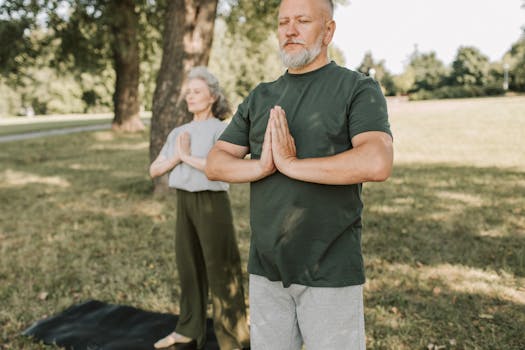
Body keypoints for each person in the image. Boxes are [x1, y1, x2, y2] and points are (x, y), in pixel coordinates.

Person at [205, 0, 394, 349]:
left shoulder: (357, 88)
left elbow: (376, 161)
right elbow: (216, 162)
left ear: (328, 31)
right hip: (266, 267)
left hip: (330, 268)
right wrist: (262, 165)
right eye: (283, 23)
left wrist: (292, 165)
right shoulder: (261, 96)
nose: (290, 30)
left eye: (303, 21)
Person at [149, 67, 250, 350]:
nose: (190, 97)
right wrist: (176, 158)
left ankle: (234, 338)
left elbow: (220, 168)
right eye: (188, 92)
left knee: (222, 268)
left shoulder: (223, 129)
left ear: (212, 96)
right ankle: (188, 329)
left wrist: (185, 156)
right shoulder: (178, 131)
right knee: (188, 266)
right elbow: (155, 169)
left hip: (212, 203)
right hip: (184, 202)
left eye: (196, 92)